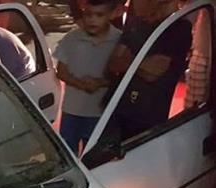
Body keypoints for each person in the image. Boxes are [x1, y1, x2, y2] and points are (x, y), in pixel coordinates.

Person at [106, 0, 192, 140]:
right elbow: (114, 63)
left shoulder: (180, 28)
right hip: (117, 107)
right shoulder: (138, 23)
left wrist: (128, 61)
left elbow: (154, 72)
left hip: (148, 115)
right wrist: (142, 64)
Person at [54, 0, 121, 155]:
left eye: (99, 15)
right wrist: (80, 84)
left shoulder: (119, 40)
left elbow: (123, 76)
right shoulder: (72, 38)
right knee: (67, 154)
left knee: (94, 157)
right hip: (72, 111)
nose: (92, 20)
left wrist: (101, 83)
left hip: (101, 112)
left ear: (111, 15)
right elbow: (61, 72)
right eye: (88, 14)